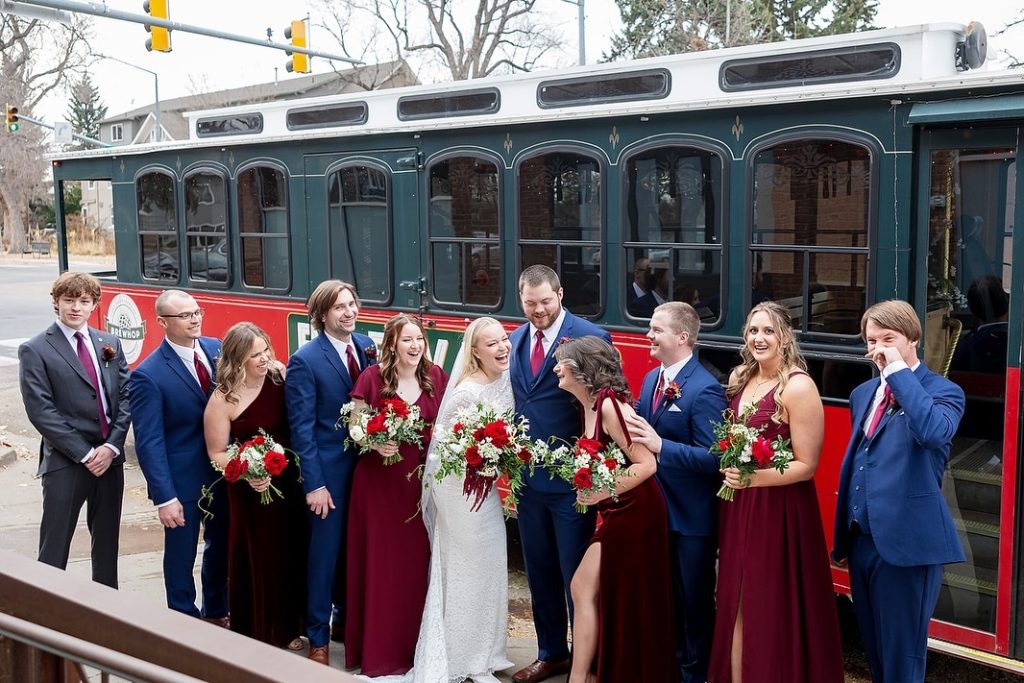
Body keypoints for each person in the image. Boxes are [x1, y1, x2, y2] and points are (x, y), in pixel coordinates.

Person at [708, 301, 843, 683]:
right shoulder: (741, 377)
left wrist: (754, 478)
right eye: (752, 330)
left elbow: (807, 465)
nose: (758, 338)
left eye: (767, 331)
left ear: (785, 337)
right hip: (739, 506)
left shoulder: (798, 386)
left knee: (762, 604)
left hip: (778, 511)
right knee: (732, 598)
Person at [833, 300, 966, 683]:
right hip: (862, 541)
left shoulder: (944, 392)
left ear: (912, 340)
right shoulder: (862, 393)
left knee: (902, 659)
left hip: (907, 547)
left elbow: (932, 431)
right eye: (871, 341)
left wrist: (895, 372)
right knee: (874, 649)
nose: (877, 349)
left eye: (887, 339)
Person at [553, 336, 676, 683]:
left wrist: (598, 492)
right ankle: (589, 673)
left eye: (562, 363)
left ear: (581, 369)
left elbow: (646, 464)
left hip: (637, 512)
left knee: (583, 586)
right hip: (617, 510)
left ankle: (583, 677)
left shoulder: (610, 406)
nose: (556, 369)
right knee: (588, 589)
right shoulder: (588, 405)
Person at [509, 264, 611, 683]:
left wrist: (591, 472)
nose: (538, 311)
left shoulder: (590, 337)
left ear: (561, 294)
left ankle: (589, 662)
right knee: (539, 571)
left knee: (577, 577)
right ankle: (551, 652)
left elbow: (604, 408)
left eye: (545, 302)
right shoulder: (514, 339)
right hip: (527, 483)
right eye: (530, 303)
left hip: (572, 485)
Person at [405, 316, 516, 683]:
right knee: (467, 565)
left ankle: (488, 652)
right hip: (457, 489)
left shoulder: (508, 378)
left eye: (503, 340)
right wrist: (480, 464)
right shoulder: (466, 392)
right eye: (492, 344)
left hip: (484, 488)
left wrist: (497, 460)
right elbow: (441, 452)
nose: (502, 348)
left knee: (492, 561)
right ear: (475, 352)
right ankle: (465, 659)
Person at [625, 302, 727, 683]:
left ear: (682, 337)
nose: (648, 336)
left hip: (691, 520)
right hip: (655, 511)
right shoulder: (653, 379)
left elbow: (714, 458)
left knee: (694, 602)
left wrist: (660, 446)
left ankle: (696, 674)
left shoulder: (706, 390)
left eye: (656, 330)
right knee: (664, 598)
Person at [344, 314, 448, 677]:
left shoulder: (436, 378)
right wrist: (372, 440)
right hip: (378, 485)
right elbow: (356, 423)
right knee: (380, 565)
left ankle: (413, 648)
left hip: (418, 486)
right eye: (407, 340)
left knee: (414, 567)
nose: (415, 346)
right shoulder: (371, 378)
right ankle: (378, 652)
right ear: (392, 345)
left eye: (419, 339)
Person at [18, 272, 131, 588]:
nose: (76, 307)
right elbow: (42, 412)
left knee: (107, 545)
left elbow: (125, 397)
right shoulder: (36, 349)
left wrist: (111, 447)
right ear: (56, 303)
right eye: (69, 300)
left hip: (110, 460)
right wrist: (85, 453)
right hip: (66, 461)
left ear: (94, 304)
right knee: (54, 547)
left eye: (84, 301)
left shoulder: (109, 344)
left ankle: (107, 613)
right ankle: (45, 618)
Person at [285, 279, 377, 666]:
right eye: (340, 307)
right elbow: (301, 429)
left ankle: (347, 625)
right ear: (323, 315)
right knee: (324, 556)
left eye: (352, 303)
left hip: (368, 471)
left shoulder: (368, 348)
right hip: (329, 475)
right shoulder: (305, 359)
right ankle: (318, 637)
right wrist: (315, 484)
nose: (350, 312)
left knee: (357, 552)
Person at [204, 322, 308, 649]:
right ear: (237, 360)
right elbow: (216, 453)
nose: (264, 359)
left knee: (291, 552)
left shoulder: (280, 376)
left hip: (289, 484)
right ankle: (257, 630)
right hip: (250, 491)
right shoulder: (223, 400)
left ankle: (288, 627)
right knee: (259, 557)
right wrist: (247, 470)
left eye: (266, 350)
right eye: (255, 355)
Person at [130, 290, 229, 624]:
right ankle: (183, 620)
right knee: (181, 556)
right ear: (162, 322)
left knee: (220, 548)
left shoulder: (217, 349)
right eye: (185, 315)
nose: (195, 319)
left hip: (222, 474)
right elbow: (149, 442)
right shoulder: (148, 374)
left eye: (197, 312)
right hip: (181, 484)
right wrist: (164, 497)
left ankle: (217, 611)